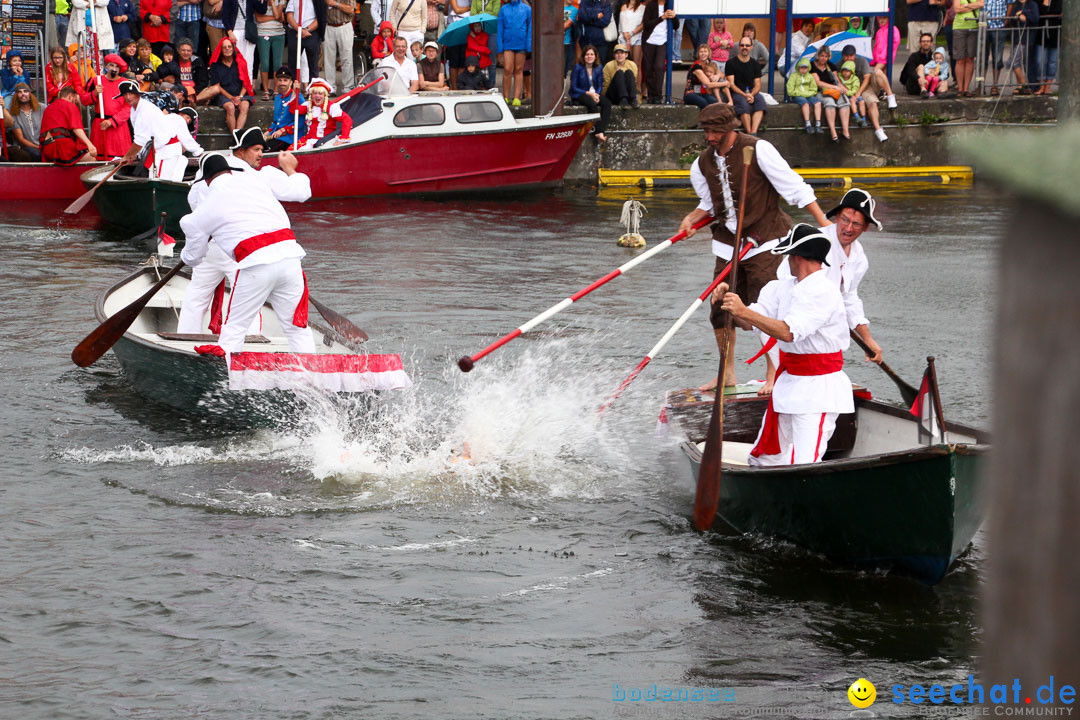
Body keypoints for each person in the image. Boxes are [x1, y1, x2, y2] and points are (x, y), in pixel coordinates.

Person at [676, 103, 829, 391]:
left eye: (716, 132)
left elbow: (793, 187)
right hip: (727, 246)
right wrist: (692, 219)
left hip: (766, 242)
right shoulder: (701, 163)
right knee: (720, 310)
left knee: (765, 310)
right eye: (707, 131)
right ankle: (727, 372)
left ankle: (774, 372)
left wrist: (823, 222)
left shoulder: (759, 150)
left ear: (730, 128)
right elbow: (709, 205)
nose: (710, 137)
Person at [713, 223, 854, 466]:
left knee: (805, 462)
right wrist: (729, 302)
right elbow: (749, 322)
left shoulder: (823, 290)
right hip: (788, 383)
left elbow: (788, 332)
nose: (786, 259)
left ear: (797, 256)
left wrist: (744, 310)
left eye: (788, 254)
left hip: (818, 390)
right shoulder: (780, 288)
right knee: (767, 458)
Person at [178, 151, 316, 356]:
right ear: (230, 171)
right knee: (297, 329)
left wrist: (188, 252)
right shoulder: (257, 184)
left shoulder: (206, 206)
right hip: (291, 261)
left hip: (255, 265)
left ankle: (228, 383)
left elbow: (193, 258)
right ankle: (310, 374)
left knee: (233, 331)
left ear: (206, 181)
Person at [176, 136, 267, 336]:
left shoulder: (195, 189)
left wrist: (190, 256)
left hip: (209, 248)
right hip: (236, 248)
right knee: (246, 295)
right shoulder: (240, 183)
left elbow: (196, 220)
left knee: (197, 294)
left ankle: (186, 334)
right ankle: (251, 339)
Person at [75, 53, 132, 158]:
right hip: (100, 126)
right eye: (111, 65)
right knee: (98, 159)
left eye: (117, 66)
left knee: (119, 160)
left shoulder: (126, 83)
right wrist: (94, 94)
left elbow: (128, 107)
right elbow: (84, 100)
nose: (114, 69)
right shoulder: (96, 81)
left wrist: (112, 121)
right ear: (106, 66)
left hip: (118, 128)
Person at [198, 37, 255, 133]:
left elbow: (246, 83)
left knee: (245, 106)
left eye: (229, 46)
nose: (227, 49)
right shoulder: (216, 65)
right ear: (221, 50)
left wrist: (240, 97)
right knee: (230, 107)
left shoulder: (240, 62)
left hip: (240, 94)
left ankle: (238, 135)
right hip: (223, 94)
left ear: (233, 48)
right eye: (224, 47)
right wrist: (231, 98)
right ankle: (234, 136)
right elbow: (217, 86)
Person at [841, 43, 894, 142]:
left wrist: (858, 93)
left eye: (851, 56)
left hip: (865, 87)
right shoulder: (840, 65)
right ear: (843, 56)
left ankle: (890, 96)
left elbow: (867, 78)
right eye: (846, 56)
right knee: (872, 103)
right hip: (851, 90)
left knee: (877, 72)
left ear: (855, 55)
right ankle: (878, 129)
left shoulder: (861, 61)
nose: (848, 58)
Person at [40, 86, 97, 164]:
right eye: (75, 100)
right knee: (91, 158)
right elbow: (77, 128)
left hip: (47, 149)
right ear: (70, 96)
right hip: (62, 148)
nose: (75, 103)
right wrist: (90, 145)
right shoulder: (70, 106)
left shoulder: (48, 108)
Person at [289, 77, 351, 147]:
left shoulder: (331, 107)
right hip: (308, 140)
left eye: (320, 93)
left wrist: (343, 138)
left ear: (325, 95)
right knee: (290, 152)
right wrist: (294, 91)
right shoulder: (308, 105)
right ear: (311, 95)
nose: (317, 96)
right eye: (315, 93)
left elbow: (347, 120)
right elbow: (293, 109)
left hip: (325, 142)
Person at [726, 35, 766, 134]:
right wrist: (745, 95)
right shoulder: (731, 63)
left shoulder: (755, 64)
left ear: (751, 47)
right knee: (744, 104)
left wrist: (751, 95)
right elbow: (731, 84)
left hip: (751, 92)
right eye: (742, 45)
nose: (745, 47)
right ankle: (750, 134)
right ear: (739, 47)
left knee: (760, 101)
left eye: (747, 45)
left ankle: (754, 132)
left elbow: (757, 84)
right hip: (737, 93)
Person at [569, 45, 610, 142]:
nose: (589, 56)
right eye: (587, 54)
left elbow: (600, 84)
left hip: (594, 93)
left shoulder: (599, 67)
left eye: (592, 54)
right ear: (583, 56)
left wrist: (596, 94)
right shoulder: (578, 67)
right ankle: (599, 132)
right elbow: (574, 88)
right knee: (592, 104)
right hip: (580, 94)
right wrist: (589, 94)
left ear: (595, 56)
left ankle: (601, 130)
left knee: (607, 104)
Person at [810, 46, 849, 142]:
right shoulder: (812, 66)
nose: (823, 58)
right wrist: (835, 87)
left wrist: (842, 88)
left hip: (833, 90)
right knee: (829, 102)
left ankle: (845, 130)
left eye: (826, 56)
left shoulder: (830, 66)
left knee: (845, 101)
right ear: (818, 56)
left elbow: (837, 80)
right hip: (820, 91)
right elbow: (818, 83)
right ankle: (833, 132)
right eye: (822, 56)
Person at [286, 0, 326, 89]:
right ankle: (292, 92)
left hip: (311, 32)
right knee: (292, 64)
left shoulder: (318, 1)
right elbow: (289, 16)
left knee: (313, 66)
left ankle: (313, 91)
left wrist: (306, 30)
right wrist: (299, 30)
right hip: (295, 32)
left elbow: (320, 17)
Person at [641, 0, 675, 104]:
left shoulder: (669, 6)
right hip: (649, 41)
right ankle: (652, 95)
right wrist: (662, 18)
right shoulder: (651, 5)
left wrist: (674, 17)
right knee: (648, 68)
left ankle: (658, 95)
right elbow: (646, 24)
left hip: (663, 41)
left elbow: (676, 26)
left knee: (659, 67)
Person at [498, 0, 531, 106]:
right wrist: (500, 48)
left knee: (518, 70)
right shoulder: (503, 9)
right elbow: (499, 29)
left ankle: (516, 98)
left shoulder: (527, 9)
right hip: (508, 43)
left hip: (521, 43)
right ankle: (506, 97)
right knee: (507, 69)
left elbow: (530, 28)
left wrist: (529, 46)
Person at [266, 66, 306, 150]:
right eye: (280, 80)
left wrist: (283, 130)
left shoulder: (298, 97)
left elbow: (300, 122)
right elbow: (276, 121)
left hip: (290, 138)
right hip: (276, 135)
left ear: (291, 82)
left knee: (268, 150)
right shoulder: (278, 98)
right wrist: (267, 132)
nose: (282, 83)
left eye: (285, 80)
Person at [255, 0, 288, 99]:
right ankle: (266, 91)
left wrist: (273, 3)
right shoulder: (259, 1)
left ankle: (276, 91)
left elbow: (278, 16)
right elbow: (259, 19)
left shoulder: (280, 0)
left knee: (277, 64)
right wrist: (275, 17)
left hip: (279, 34)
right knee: (265, 63)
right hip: (262, 34)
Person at [1005, 0, 1039, 94]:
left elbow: (1035, 18)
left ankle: (1024, 85)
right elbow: (1012, 20)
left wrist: (1024, 13)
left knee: (1015, 62)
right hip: (1017, 38)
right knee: (1012, 62)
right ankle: (1022, 85)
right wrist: (1017, 17)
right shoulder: (1017, 5)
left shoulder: (1033, 4)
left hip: (1026, 38)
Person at [323, 0, 355, 92]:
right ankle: (330, 86)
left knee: (347, 58)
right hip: (328, 26)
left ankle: (348, 86)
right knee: (328, 59)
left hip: (344, 25)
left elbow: (351, 9)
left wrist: (335, 4)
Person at [952, 0, 982, 96]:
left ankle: (966, 89)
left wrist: (964, 6)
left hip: (974, 26)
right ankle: (960, 88)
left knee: (970, 58)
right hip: (959, 27)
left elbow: (982, 4)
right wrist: (974, 6)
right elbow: (956, 9)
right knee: (960, 59)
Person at [684, 43, 728, 108]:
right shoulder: (697, 66)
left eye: (705, 51)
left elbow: (722, 74)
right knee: (704, 103)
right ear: (698, 54)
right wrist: (725, 83)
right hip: (691, 93)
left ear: (709, 53)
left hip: (704, 93)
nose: (703, 54)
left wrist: (717, 75)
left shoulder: (708, 63)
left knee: (714, 102)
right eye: (701, 52)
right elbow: (708, 84)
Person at [8, 84, 44, 161]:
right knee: (37, 154)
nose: (23, 94)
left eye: (25, 91)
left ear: (30, 94)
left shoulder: (42, 108)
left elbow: (50, 128)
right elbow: (20, 139)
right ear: (16, 96)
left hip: (44, 143)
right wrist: (38, 147)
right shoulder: (13, 113)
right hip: (26, 147)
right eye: (19, 92)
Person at [786, 58, 821, 134]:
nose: (803, 70)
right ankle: (808, 124)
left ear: (808, 68)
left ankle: (818, 124)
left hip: (808, 95)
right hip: (797, 96)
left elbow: (814, 89)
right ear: (798, 67)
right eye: (801, 67)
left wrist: (806, 93)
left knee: (818, 103)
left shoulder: (810, 76)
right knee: (805, 104)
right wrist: (802, 93)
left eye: (805, 68)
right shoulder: (793, 76)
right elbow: (790, 91)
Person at [1033, 0, 1060, 95]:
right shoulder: (1038, 1)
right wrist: (1044, 5)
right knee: (1040, 61)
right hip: (1041, 36)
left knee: (1053, 62)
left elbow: (1059, 12)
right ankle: (1041, 85)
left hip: (1055, 35)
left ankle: (1048, 86)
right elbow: (1039, 13)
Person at [471, 0, 500, 86]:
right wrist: (486, 13)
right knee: (478, 59)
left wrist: (481, 13)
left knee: (492, 61)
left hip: (492, 32)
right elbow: (473, 14)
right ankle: (478, 85)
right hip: (479, 31)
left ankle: (491, 85)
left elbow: (495, 14)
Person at [619, 0, 645, 93]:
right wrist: (627, 37)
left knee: (637, 64)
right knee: (624, 63)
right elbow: (623, 24)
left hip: (637, 36)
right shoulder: (624, 6)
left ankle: (637, 89)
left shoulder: (643, 8)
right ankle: (625, 89)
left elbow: (643, 24)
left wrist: (632, 33)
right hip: (624, 37)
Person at [175, 39, 210, 104]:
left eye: (188, 51)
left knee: (213, 89)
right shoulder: (173, 61)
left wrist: (192, 92)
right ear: (178, 50)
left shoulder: (197, 61)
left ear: (192, 52)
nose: (186, 53)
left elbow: (203, 82)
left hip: (195, 92)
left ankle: (192, 100)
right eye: (183, 50)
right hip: (179, 92)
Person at [445, 0, 470, 89]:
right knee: (453, 61)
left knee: (462, 61)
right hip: (453, 28)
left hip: (466, 28)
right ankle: (454, 88)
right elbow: (457, 9)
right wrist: (470, 8)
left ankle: (460, 87)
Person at [577, 0, 611, 65]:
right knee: (585, 66)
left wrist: (589, 21)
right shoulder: (584, 2)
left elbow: (605, 21)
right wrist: (596, 17)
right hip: (586, 40)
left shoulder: (605, 3)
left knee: (600, 66)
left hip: (601, 41)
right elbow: (582, 17)